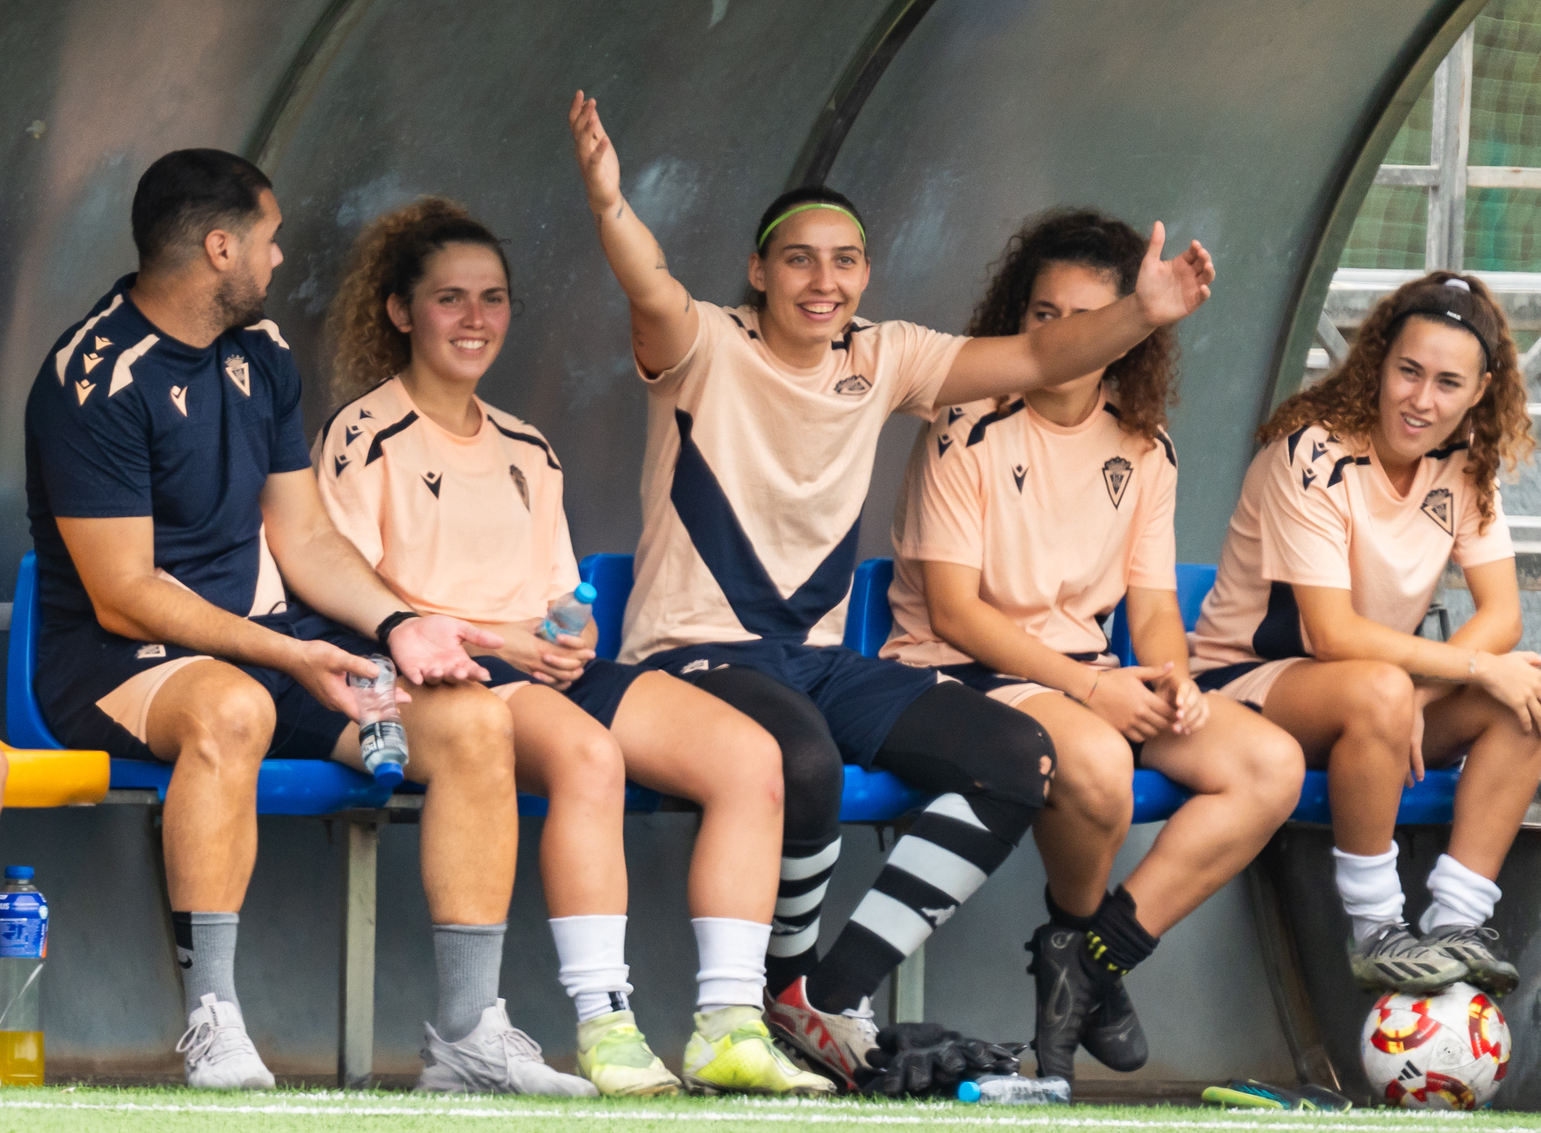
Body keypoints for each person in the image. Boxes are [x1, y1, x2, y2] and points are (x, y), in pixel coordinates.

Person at [568, 92, 1215, 1088]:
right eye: (798, 259)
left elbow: (1039, 354)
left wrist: (1142, 313)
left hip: (819, 660)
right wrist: (610, 202)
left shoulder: (885, 355)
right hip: (695, 652)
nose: (821, 280)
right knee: (804, 753)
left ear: (866, 274)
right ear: (758, 271)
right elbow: (650, 286)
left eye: (843, 261)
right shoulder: (703, 343)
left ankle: (824, 992)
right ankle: (777, 992)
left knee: (1015, 756)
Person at [23, 149, 593, 1094]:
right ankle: (213, 1019)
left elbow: (306, 536)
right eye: (270, 238)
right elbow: (124, 591)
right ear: (220, 248)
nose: (280, 257)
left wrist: (401, 624)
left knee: (472, 722)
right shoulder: (93, 375)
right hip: (118, 662)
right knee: (232, 707)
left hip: (270, 651)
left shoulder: (263, 351)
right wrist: (292, 653)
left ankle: (469, 1036)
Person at [316, 197, 831, 1097]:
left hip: (536, 666)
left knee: (751, 758)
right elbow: (352, 600)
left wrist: (570, 628)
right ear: (401, 311)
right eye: (449, 298)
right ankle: (606, 1024)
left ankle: (730, 1024)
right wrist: (506, 641)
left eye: (493, 298)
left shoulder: (529, 446)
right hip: (445, 676)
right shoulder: (365, 433)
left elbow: (557, 595)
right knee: (591, 755)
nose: (476, 319)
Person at [884, 209, 1305, 1084]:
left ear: (1129, 331)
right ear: (1017, 318)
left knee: (1270, 764)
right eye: (1044, 314)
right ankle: (1080, 947)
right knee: (1102, 762)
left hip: (1087, 677)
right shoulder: (967, 421)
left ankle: (1090, 958)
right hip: (963, 674)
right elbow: (954, 613)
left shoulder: (1145, 443)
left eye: (1089, 317)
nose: (1065, 335)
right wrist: (1091, 690)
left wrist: (1175, 678)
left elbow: (1152, 604)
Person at [1189, 270, 1541, 996]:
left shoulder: (1467, 465)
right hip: (1250, 686)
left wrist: (1420, 696)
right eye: (1408, 371)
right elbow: (1330, 634)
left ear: (1480, 391)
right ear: (1378, 362)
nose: (1422, 400)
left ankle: (1456, 923)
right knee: (1408, 687)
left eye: (1448, 383)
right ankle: (1377, 929)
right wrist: (1459, 673)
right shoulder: (1312, 452)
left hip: (1376, 702)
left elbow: (1503, 616)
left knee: (1526, 701)